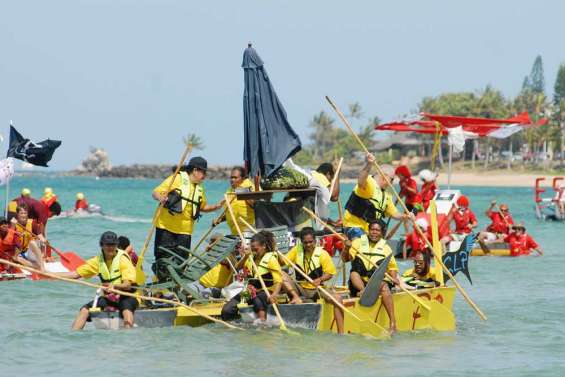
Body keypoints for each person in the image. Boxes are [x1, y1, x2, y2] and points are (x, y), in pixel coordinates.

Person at [55, 231, 138, 330]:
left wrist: (114, 286)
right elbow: (75, 274)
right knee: (84, 310)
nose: (110, 247)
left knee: (126, 311)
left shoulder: (123, 259)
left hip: (127, 296)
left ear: (116, 245)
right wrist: (51, 275)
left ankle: (128, 338)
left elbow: (127, 285)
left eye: (113, 245)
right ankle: (73, 335)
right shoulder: (97, 261)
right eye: (107, 245)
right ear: (101, 245)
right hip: (110, 298)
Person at [152, 156, 223, 263]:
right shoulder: (178, 178)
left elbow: (203, 207)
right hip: (166, 228)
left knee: (181, 262)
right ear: (195, 170)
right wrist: (160, 198)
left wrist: (217, 206)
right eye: (203, 172)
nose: (205, 176)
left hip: (185, 232)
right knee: (163, 260)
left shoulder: (199, 188)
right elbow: (155, 192)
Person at [342, 219, 401, 333]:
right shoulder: (358, 243)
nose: (374, 232)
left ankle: (393, 322)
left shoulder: (386, 248)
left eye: (377, 230)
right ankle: (364, 291)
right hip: (359, 284)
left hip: (375, 284)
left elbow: (392, 268)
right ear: (368, 231)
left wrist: (394, 279)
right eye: (372, 229)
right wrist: (347, 248)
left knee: (384, 286)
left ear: (382, 233)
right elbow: (345, 259)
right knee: (354, 272)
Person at [282, 227, 344, 334]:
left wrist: (320, 279)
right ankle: (296, 298)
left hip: (317, 289)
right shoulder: (297, 250)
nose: (308, 245)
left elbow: (330, 273)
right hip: (300, 287)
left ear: (315, 241)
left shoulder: (322, 253)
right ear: (301, 242)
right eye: (305, 242)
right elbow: (282, 262)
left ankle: (341, 333)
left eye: (310, 242)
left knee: (337, 298)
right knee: (281, 274)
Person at [221, 231, 283, 322]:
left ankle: (262, 323)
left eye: (256, 249)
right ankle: (233, 324)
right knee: (227, 309)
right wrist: (246, 256)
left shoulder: (271, 259)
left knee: (257, 299)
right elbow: (238, 268)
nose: (254, 252)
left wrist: (274, 295)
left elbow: (278, 281)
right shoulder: (250, 258)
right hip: (250, 291)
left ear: (263, 247)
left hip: (266, 291)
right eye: (252, 249)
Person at [343, 153, 408, 233]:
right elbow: (361, 181)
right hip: (355, 227)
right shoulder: (370, 183)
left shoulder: (386, 195)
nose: (391, 183)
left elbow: (395, 214)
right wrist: (369, 164)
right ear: (385, 177)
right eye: (392, 179)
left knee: (383, 245)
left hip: (371, 232)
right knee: (363, 243)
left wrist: (406, 216)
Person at [215, 166, 255, 235]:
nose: (232, 180)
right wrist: (220, 219)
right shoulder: (229, 191)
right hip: (235, 233)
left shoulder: (249, 187)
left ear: (242, 178)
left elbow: (257, 205)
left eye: (235, 177)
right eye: (231, 177)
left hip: (249, 232)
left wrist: (242, 192)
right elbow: (230, 212)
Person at [11, 205, 47, 271]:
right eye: (21, 213)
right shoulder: (14, 224)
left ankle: (42, 267)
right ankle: (36, 266)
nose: (23, 215)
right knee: (16, 258)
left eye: (25, 213)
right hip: (20, 253)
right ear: (17, 214)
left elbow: (40, 235)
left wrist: (43, 240)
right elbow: (10, 238)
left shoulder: (32, 223)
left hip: (31, 251)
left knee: (32, 242)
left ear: (27, 214)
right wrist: (12, 226)